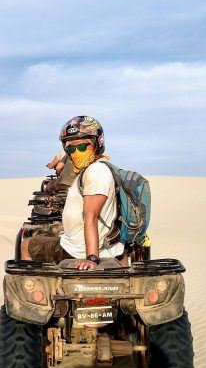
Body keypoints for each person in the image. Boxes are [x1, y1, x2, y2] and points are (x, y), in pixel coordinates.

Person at [20, 116, 127, 271]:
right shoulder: (90, 170)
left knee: (26, 245)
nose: (77, 152)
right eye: (71, 148)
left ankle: (29, 290)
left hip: (75, 251)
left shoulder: (96, 172)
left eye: (83, 147)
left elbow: (91, 217)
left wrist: (91, 258)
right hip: (81, 245)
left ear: (98, 144)